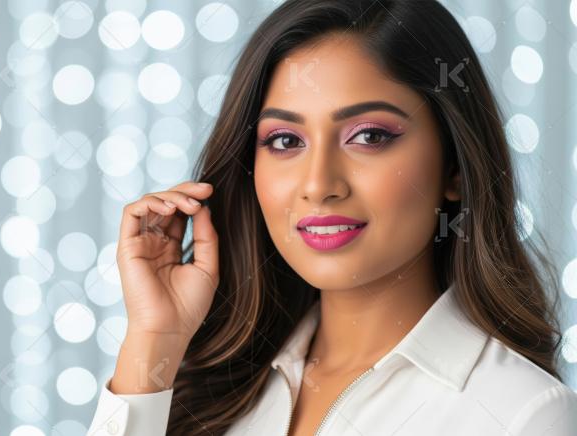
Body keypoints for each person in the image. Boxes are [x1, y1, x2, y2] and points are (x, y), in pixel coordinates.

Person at [87, 0, 577, 434]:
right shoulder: (219, 390)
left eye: (369, 136)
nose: (319, 184)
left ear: (454, 166)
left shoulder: (524, 414)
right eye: (285, 141)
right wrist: (154, 340)